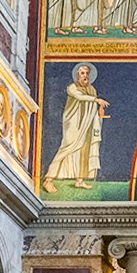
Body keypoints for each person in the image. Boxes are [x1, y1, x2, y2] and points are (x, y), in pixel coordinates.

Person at [42, 64, 107, 193]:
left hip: (86, 124)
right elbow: (80, 97)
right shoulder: (72, 87)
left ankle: (80, 180)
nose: (85, 76)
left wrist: (98, 112)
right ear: (77, 75)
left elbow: (92, 108)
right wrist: (96, 100)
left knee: (84, 150)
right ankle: (48, 179)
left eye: (87, 73)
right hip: (73, 124)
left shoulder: (92, 89)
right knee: (67, 147)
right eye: (82, 73)